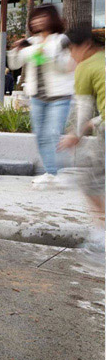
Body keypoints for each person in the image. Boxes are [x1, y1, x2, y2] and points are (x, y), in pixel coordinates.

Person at [8, 4, 74, 185]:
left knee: (52, 133)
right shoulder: (31, 42)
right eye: (35, 17)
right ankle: (51, 173)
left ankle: (57, 172)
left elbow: (67, 67)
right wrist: (15, 50)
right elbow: (14, 64)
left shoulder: (61, 40)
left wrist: (47, 55)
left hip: (59, 96)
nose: (38, 21)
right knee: (40, 136)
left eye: (42, 17)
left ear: (52, 19)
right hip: (37, 97)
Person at [57, 28, 105, 253]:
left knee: (89, 182)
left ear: (85, 46)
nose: (71, 57)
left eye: (72, 51)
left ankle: (102, 237)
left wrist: (75, 134)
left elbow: (84, 107)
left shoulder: (85, 66)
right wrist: (93, 123)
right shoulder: (102, 60)